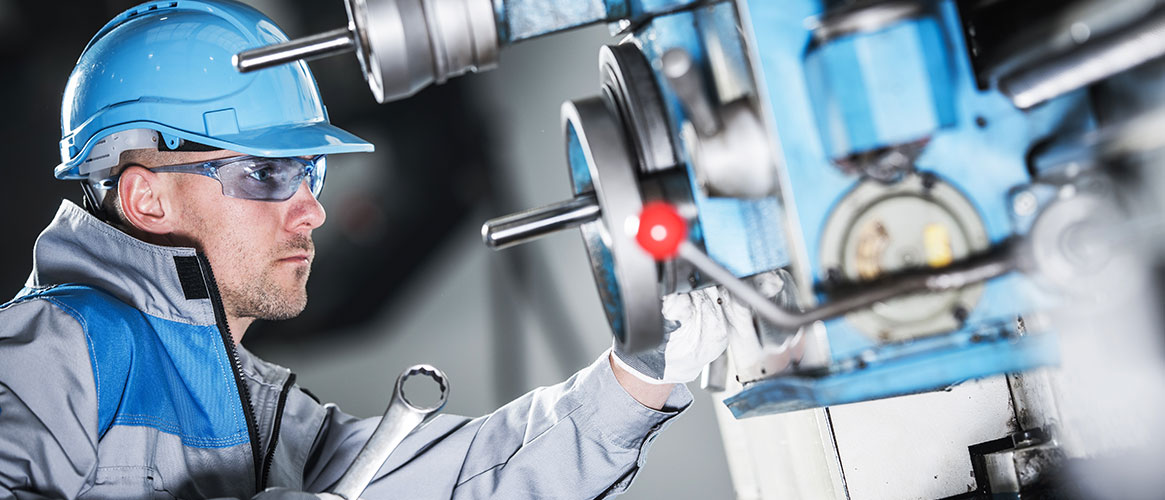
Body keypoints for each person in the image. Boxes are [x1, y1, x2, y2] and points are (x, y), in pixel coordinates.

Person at [0, 1, 731, 498]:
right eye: (266, 174)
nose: (312, 208)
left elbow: (470, 483)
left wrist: (635, 376)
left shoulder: (269, 419)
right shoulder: (46, 352)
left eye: (309, 173)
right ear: (147, 198)